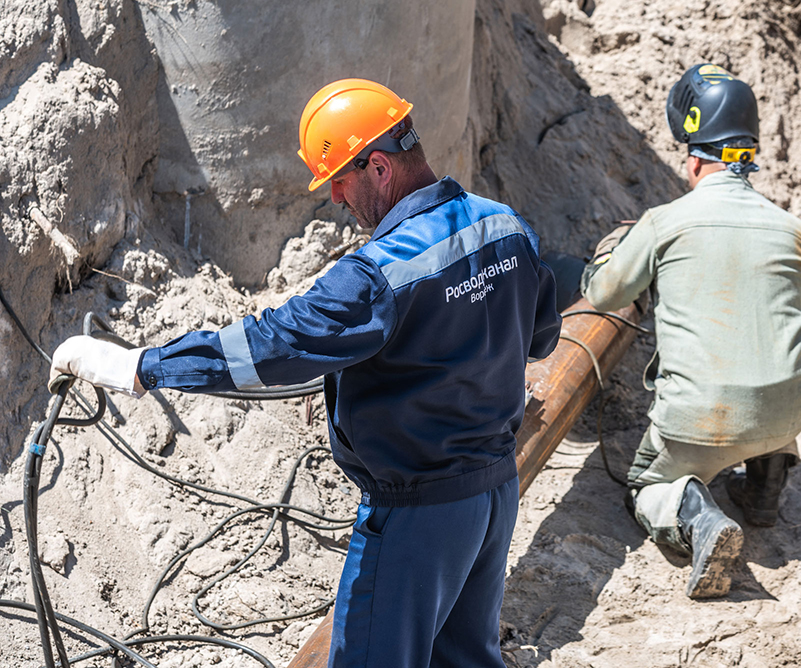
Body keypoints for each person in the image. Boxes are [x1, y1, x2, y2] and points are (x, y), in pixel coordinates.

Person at [50, 78, 562, 666]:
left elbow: (269, 346)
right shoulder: (504, 227)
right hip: (495, 493)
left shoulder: (380, 272)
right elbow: (541, 337)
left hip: (418, 515)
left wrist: (144, 365)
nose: (338, 201)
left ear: (377, 167)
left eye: (339, 183)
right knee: (466, 658)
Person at [579, 64, 801, 599]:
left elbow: (602, 294)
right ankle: (766, 487)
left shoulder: (665, 221)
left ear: (694, 158)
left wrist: (608, 253)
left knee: (648, 485)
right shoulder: (794, 230)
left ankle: (697, 517)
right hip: (790, 411)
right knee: (772, 360)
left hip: (699, 421)